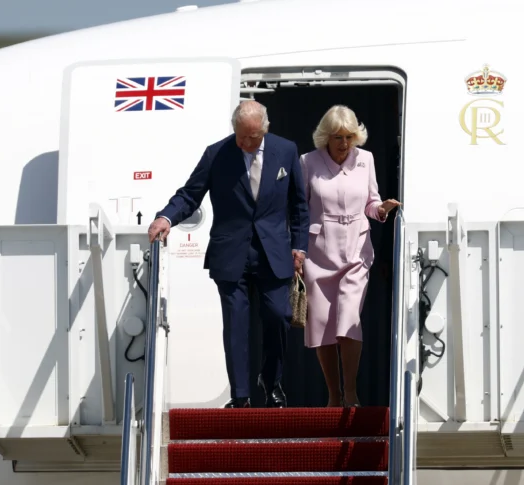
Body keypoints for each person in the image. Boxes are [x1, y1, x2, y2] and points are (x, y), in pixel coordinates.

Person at [148, 100, 309, 408]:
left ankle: (271, 380)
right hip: (231, 253)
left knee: (278, 316)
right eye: (239, 135)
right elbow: (190, 194)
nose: (244, 143)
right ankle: (241, 395)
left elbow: (299, 204)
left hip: (273, 252)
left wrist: (299, 246)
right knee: (235, 324)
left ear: (264, 130)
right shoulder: (216, 153)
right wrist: (166, 217)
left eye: (251, 137)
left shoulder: (286, 150)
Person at [300, 105, 400, 408]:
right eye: (338, 137)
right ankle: (334, 395)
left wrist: (381, 210)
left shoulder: (365, 159)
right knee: (322, 325)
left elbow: (370, 203)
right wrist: (296, 250)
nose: (344, 143)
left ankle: (352, 391)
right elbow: (299, 209)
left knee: (349, 319)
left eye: (349, 137)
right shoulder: (307, 162)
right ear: (326, 138)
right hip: (319, 252)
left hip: (356, 250)